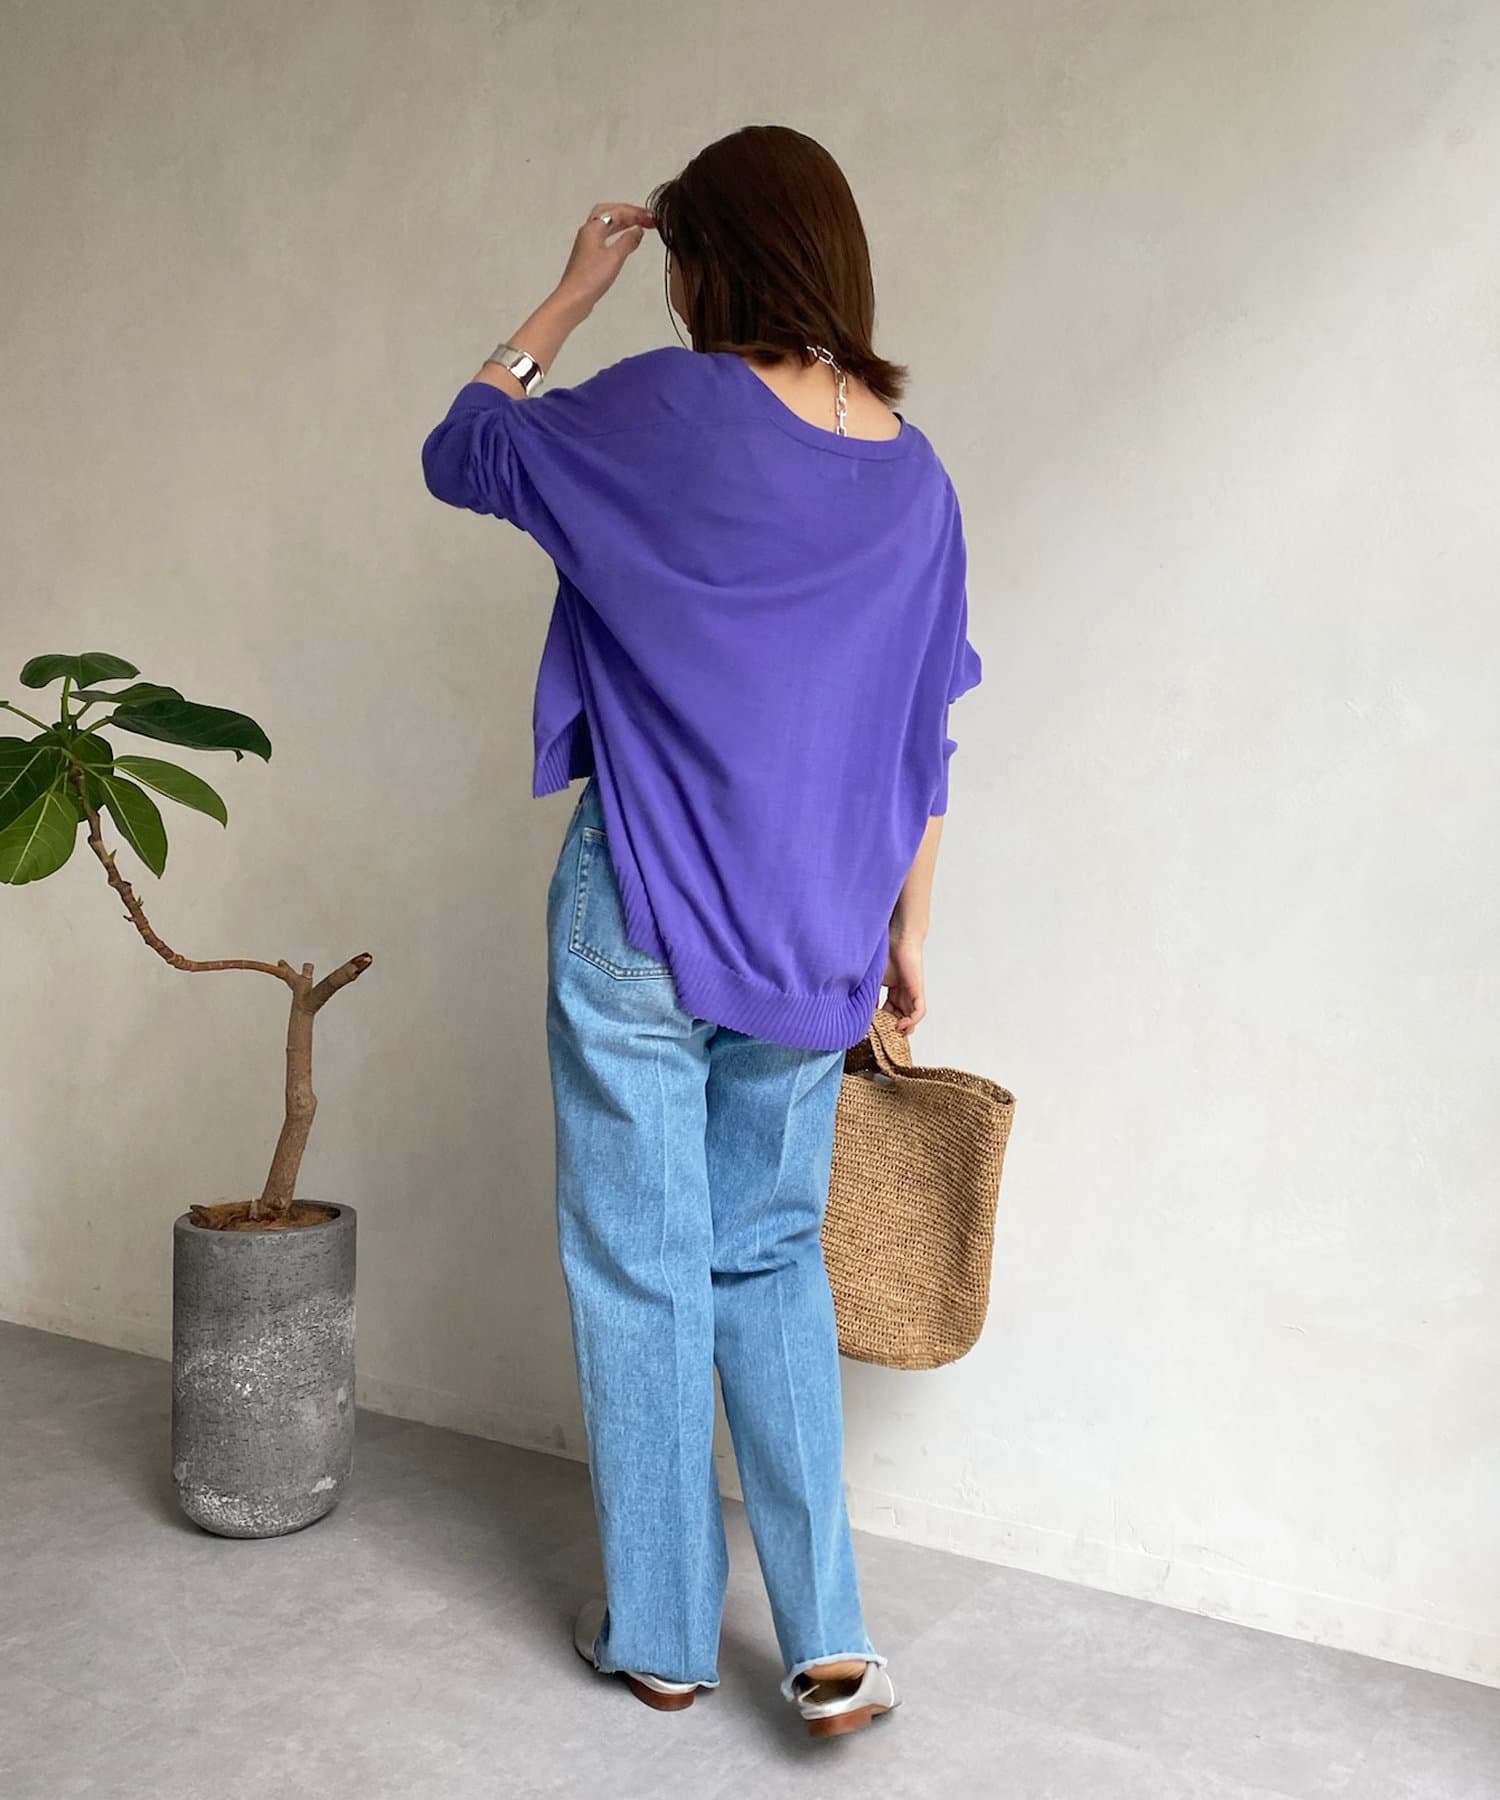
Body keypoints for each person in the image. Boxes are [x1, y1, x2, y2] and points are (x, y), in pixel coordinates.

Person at [421, 123, 980, 1739]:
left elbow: (464, 446)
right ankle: (830, 1641)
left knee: (642, 1267)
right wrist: (909, 934)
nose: (665, 287)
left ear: (710, 260)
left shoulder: (667, 408)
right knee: (769, 1257)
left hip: (643, 912)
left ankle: (663, 1636)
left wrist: (566, 294)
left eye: (672, 260)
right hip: (816, 936)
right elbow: (927, 733)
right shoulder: (918, 478)